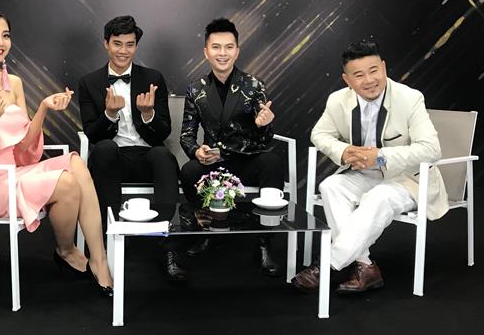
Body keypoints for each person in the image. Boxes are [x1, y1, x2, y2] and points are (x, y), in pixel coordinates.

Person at [0, 7, 113, 297]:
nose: (0, 42)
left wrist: (43, 108)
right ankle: (67, 250)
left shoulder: (13, 82)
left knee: (76, 164)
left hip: (11, 174)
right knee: (65, 182)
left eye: (5, 35)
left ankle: (99, 260)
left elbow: (24, 147)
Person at [291, 40, 445, 293]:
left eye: (374, 71)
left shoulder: (410, 98)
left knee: (378, 196)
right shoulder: (338, 100)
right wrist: (343, 151)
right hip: (365, 173)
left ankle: (328, 264)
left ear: (384, 67)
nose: (369, 80)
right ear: (347, 79)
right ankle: (365, 266)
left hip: (408, 179)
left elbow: (431, 149)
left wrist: (381, 157)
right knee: (330, 185)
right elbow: (319, 134)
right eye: (359, 75)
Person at [77, 15, 185, 280]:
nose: (123, 51)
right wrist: (110, 115)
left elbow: (163, 133)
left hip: (146, 155)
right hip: (112, 159)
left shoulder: (153, 78)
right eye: (117, 44)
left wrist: (148, 114)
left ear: (136, 46)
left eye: (130, 44)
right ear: (106, 43)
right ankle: (106, 245)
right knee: (104, 149)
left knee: (162, 154)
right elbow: (92, 134)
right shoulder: (89, 82)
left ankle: (167, 245)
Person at [179, 18, 285, 276]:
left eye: (228, 47)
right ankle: (206, 232)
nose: (222, 53)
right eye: (216, 47)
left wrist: (264, 125)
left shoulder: (254, 85)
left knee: (272, 162)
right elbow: (187, 135)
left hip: (247, 160)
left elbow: (265, 141)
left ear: (237, 51)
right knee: (189, 171)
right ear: (206, 52)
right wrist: (197, 151)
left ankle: (264, 242)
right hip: (214, 165)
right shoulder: (195, 89)